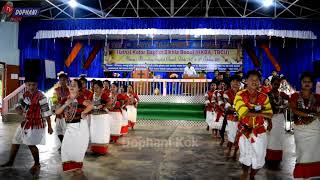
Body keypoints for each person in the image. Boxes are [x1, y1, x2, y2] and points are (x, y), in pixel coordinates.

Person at [0, 75, 53, 175]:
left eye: (33, 85)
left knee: (31, 144)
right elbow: (18, 106)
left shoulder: (42, 96)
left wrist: (49, 126)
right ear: (26, 85)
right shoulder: (24, 95)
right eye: (29, 85)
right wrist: (19, 111)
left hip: (36, 123)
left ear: (37, 85)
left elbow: (46, 112)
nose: (31, 87)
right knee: (15, 141)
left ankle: (37, 164)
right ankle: (10, 162)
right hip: (25, 123)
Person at [234, 70, 273, 180]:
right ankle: (245, 173)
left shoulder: (264, 96)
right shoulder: (239, 95)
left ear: (260, 82)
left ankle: (252, 174)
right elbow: (244, 112)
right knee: (246, 155)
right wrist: (262, 113)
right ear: (246, 81)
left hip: (260, 130)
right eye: (252, 79)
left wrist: (270, 122)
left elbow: (269, 113)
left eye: (257, 80)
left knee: (260, 157)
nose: (254, 82)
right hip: (245, 130)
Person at [55, 79, 93, 172]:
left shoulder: (81, 98)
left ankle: (76, 168)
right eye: (70, 84)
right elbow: (57, 111)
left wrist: (84, 112)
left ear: (79, 88)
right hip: (69, 127)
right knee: (65, 148)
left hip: (80, 127)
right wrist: (65, 104)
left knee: (77, 149)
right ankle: (70, 168)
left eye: (74, 85)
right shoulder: (65, 99)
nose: (71, 86)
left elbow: (91, 105)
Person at [289, 72, 320, 179]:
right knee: (303, 153)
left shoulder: (317, 97)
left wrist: (313, 115)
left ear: (313, 83)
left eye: (309, 82)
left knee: (315, 152)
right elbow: (294, 110)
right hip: (300, 129)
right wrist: (311, 114)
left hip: (315, 129)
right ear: (301, 83)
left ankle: (313, 175)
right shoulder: (294, 96)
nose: (307, 84)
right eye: (304, 82)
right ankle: (303, 175)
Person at [266, 77, 289, 170]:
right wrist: (269, 122)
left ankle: (278, 159)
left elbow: (288, 104)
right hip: (272, 119)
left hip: (280, 119)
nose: (276, 85)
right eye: (275, 84)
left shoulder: (281, 94)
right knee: (271, 139)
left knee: (280, 139)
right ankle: (269, 159)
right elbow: (267, 110)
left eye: (278, 84)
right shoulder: (267, 95)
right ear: (271, 84)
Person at [90, 80, 112, 155]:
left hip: (102, 118)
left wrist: (103, 107)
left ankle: (102, 149)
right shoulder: (91, 95)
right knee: (94, 133)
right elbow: (87, 103)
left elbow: (110, 103)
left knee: (102, 133)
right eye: (94, 88)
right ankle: (95, 148)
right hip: (94, 118)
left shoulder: (104, 95)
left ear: (101, 88)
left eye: (97, 88)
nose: (95, 89)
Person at [223, 75, 241, 159]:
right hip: (231, 119)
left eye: (237, 82)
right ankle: (229, 149)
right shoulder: (226, 93)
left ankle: (235, 152)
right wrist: (240, 110)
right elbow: (227, 107)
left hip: (242, 119)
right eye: (233, 81)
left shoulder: (243, 93)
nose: (235, 83)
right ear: (230, 83)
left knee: (239, 137)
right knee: (232, 136)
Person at [51, 71, 69, 144]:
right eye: (60, 80)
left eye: (64, 80)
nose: (62, 81)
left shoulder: (70, 90)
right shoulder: (56, 90)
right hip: (58, 113)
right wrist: (56, 104)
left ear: (67, 80)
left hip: (67, 113)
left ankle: (66, 146)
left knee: (66, 130)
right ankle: (62, 144)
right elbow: (54, 100)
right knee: (58, 130)